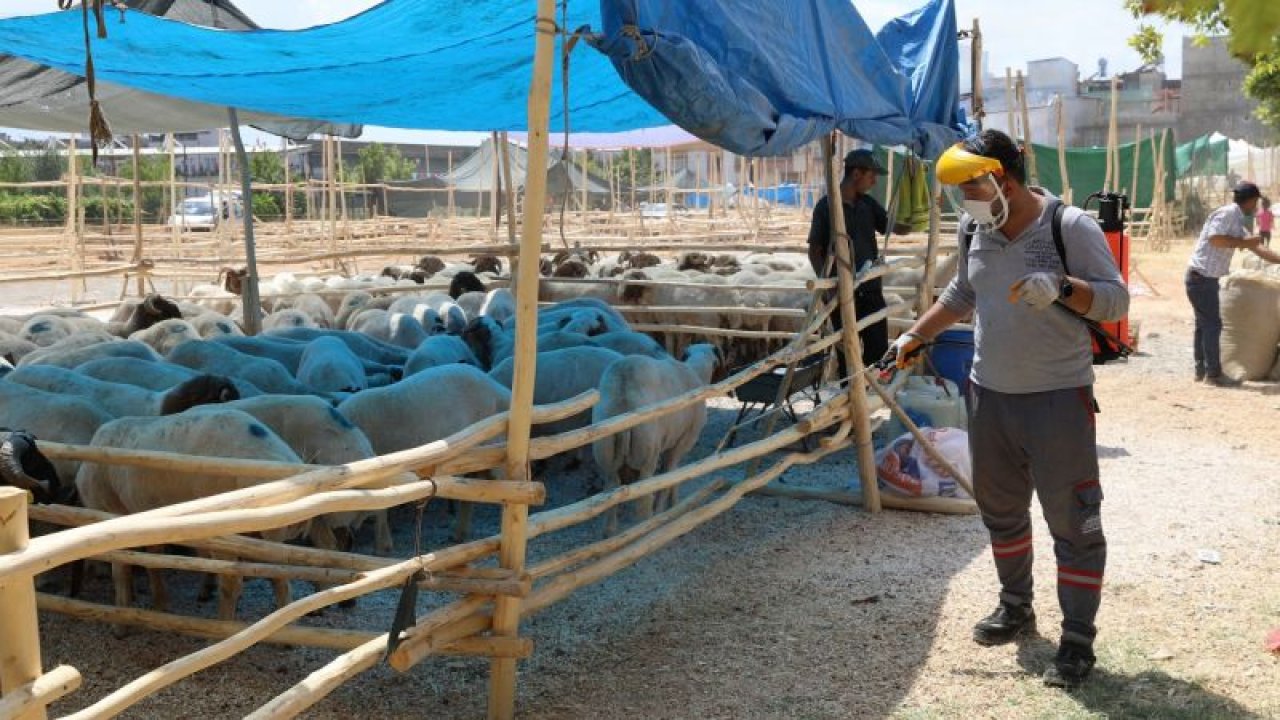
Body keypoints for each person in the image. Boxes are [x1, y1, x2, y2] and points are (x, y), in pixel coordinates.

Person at [888, 129, 1129, 689]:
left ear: (1002, 178)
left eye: (970, 185)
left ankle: (1076, 641)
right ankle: (1016, 605)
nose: (963, 199)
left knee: (1074, 520)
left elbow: (1115, 300)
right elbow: (965, 293)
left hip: (1056, 397)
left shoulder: (1070, 227)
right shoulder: (975, 225)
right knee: (1001, 509)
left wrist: (1062, 286)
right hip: (989, 394)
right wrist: (914, 336)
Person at [1185, 181, 1280, 387]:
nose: (1256, 206)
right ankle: (1213, 375)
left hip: (1201, 278)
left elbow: (1258, 248)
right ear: (1252, 200)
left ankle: (1201, 371)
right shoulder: (1229, 213)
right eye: (1255, 202)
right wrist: (1243, 243)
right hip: (1202, 277)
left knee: (1203, 325)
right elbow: (1215, 239)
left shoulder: (1237, 220)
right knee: (1212, 325)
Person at [807, 148, 890, 374]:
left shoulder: (868, 205)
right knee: (847, 356)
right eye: (871, 175)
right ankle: (849, 402)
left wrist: (912, 215)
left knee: (877, 350)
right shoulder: (826, 207)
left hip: (871, 290)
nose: (874, 181)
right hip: (842, 293)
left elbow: (892, 226)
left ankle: (870, 400)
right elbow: (815, 250)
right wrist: (828, 289)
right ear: (856, 174)